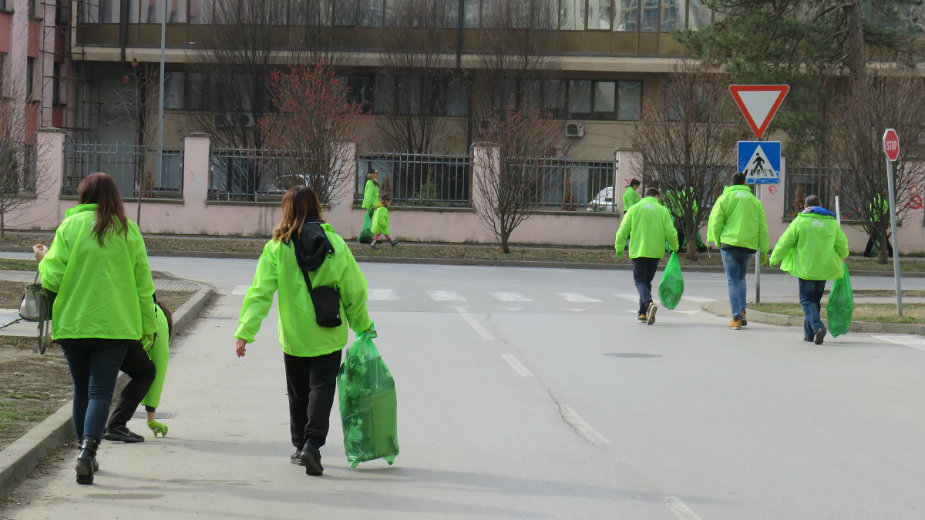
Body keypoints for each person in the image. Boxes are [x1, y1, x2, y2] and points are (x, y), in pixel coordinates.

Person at [235, 186, 376, 476]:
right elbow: (354, 290)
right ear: (316, 207)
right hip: (328, 332)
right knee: (322, 387)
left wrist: (245, 330)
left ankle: (300, 446)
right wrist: (363, 325)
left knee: (298, 392)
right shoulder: (334, 243)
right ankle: (313, 444)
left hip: (294, 335)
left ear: (286, 210)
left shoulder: (277, 247)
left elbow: (260, 292)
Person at [33, 172, 157, 485]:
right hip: (114, 327)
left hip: (74, 324)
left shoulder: (70, 226)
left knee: (81, 390)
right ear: (115, 197)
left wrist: (42, 259)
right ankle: (88, 451)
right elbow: (144, 286)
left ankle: (83, 451)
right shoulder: (128, 230)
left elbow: (52, 278)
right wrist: (149, 326)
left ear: (83, 195)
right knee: (100, 390)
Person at [769, 195, 849, 345]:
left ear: (805, 207)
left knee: (806, 300)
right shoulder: (831, 223)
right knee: (815, 301)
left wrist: (774, 258)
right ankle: (809, 335)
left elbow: (784, 242)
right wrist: (844, 255)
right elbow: (842, 244)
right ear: (821, 206)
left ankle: (818, 327)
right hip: (823, 269)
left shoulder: (800, 221)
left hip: (806, 269)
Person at [104, 298, 173, 442]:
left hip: (93, 326)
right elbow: (157, 373)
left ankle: (91, 431)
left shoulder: (147, 305)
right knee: (146, 373)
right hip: (118, 334)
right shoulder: (160, 323)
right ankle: (116, 425)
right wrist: (151, 420)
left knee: (96, 379)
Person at [707, 172, 769, 330]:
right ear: (745, 183)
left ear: (731, 183)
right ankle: (742, 311)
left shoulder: (725, 198)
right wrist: (763, 250)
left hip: (729, 244)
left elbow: (716, 222)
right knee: (741, 279)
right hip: (748, 246)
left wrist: (717, 240)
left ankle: (736, 318)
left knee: (732, 281)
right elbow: (762, 227)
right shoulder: (755, 201)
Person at [614, 187, 679, 325]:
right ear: (657, 197)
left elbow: (622, 230)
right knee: (646, 281)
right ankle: (643, 313)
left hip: (638, 251)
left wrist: (619, 247)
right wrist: (674, 246)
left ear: (645, 196)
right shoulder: (663, 210)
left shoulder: (634, 209)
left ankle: (649, 303)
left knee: (639, 281)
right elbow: (671, 232)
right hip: (655, 252)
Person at [863, 193, 893, 258]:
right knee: (882, 238)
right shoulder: (882, 201)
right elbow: (886, 212)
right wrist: (888, 222)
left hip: (874, 221)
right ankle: (891, 253)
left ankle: (866, 253)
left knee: (873, 239)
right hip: (880, 222)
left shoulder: (874, 200)